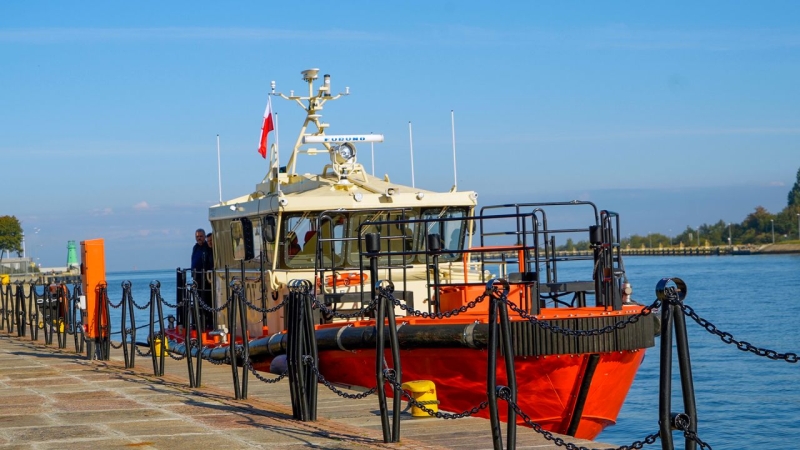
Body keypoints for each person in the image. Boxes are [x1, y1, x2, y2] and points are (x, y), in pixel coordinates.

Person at [190, 228, 214, 330]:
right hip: (197, 278)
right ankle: (198, 322)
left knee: (206, 301)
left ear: (204, 237)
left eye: (200, 236)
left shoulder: (207, 248)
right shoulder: (195, 247)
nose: (199, 238)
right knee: (198, 302)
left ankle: (208, 322)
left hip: (206, 279)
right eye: (197, 237)